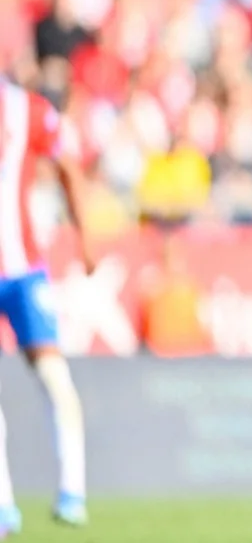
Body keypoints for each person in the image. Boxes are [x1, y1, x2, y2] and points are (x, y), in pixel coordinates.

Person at [0, 81, 94, 534]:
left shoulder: (27, 109)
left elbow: (68, 168)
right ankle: (4, 506)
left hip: (23, 272)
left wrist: (85, 237)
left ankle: (73, 493)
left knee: (56, 377)